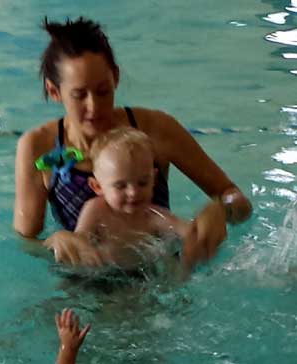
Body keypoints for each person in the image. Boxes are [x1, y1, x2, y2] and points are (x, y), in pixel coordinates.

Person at [13, 16, 252, 264]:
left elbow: (234, 198)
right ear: (54, 92)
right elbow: (24, 242)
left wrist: (221, 211)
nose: (93, 106)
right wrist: (54, 242)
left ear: (115, 78)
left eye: (103, 91)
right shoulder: (37, 147)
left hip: (158, 276)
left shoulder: (155, 129)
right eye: (79, 95)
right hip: (86, 279)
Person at [45, 127, 226, 271]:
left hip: (143, 276)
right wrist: (69, 243)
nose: (133, 192)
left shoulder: (154, 216)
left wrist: (204, 231)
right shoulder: (95, 210)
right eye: (120, 186)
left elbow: (188, 232)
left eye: (142, 183)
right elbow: (80, 239)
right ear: (97, 187)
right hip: (100, 275)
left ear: (154, 179)